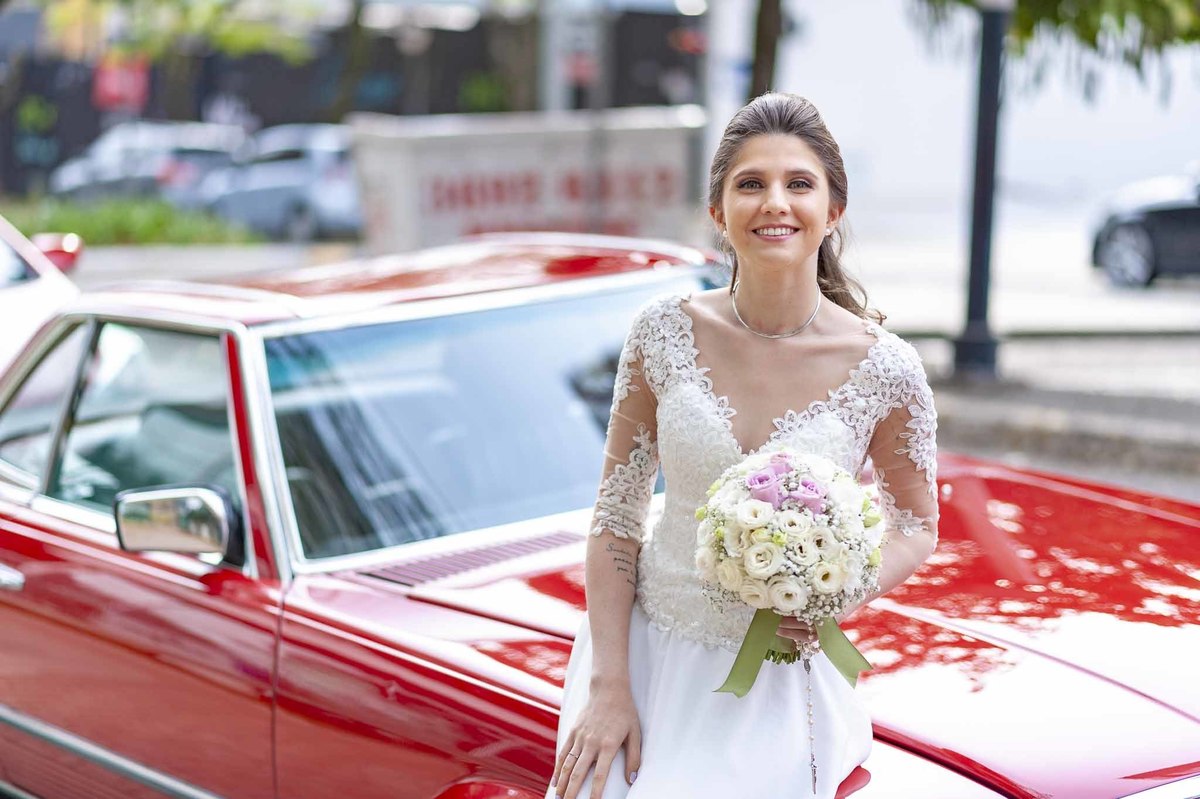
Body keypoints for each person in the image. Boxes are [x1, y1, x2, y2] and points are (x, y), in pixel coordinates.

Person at [546, 92, 940, 799]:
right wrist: (610, 683)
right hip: (645, 662)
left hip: (778, 683)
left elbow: (916, 524)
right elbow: (616, 516)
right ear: (717, 211)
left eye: (799, 183)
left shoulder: (887, 368)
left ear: (834, 209)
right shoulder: (659, 332)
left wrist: (838, 589)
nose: (774, 203)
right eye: (750, 184)